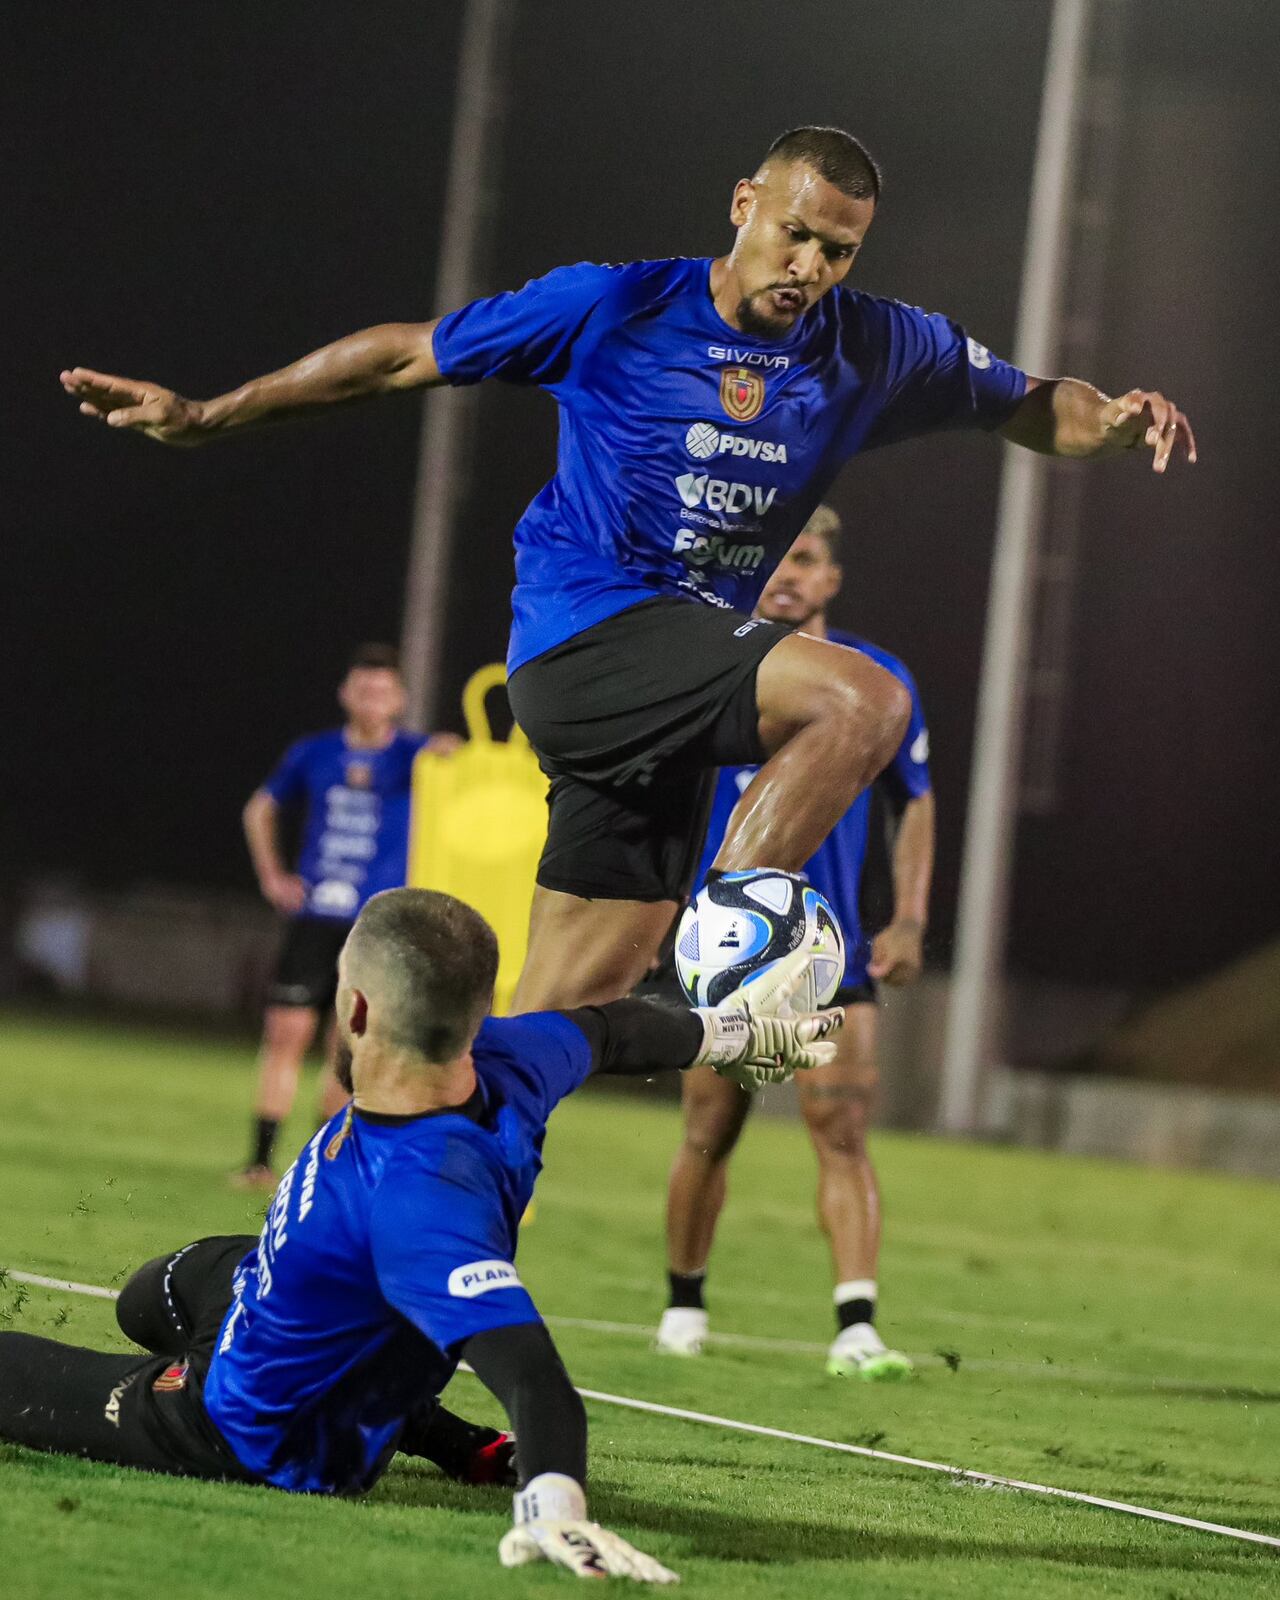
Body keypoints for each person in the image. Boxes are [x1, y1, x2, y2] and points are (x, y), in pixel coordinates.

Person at [63, 124, 1195, 1022]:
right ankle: (735, 936)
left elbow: (1030, 401)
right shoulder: (614, 306)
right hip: (586, 639)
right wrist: (212, 412)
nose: (809, 266)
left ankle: (388, 1228)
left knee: (561, 1015)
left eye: (838, 250)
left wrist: (1105, 421)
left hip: (681, 685)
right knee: (868, 698)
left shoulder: (871, 343)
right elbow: (407, 351)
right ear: (743, 203)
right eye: (793, 233)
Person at [0, 888, 839, 1583]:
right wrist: (731, 1033)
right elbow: (616, 1029)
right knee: (149, 1294)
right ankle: (434, 1429)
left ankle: (425, 1428)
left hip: (258, 1431)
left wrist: (555, 1505)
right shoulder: (515, 1055)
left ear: (356, 1007)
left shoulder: (418, 1204)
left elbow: (540, 1384)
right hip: (293, 1283)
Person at [652, 507, 934, 1378]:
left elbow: (916, 799)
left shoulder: (875, 677)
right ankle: (683, 1308)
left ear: (832, 578)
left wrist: (913, 914)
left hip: (833, 949)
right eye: (775, 555)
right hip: (725, 951)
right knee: (709, 1127)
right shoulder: (709, 662)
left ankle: (856, 1325)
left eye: (805, 556)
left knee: (841, 1127)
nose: (787, 572)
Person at [237, 643, 458, 1188]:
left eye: (382, 691)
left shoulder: (416, 754)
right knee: (285, 1036)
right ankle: (261, 1161)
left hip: (374, 927)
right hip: (314, 918)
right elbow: (260, 807)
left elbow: (461, 772)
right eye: (363, 689)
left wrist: (458, 758)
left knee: (347, 1047)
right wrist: (272, 876)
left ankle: (321, 1163)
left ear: (399, 700)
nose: (371, 699)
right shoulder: (313, 753)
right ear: (345, 694)